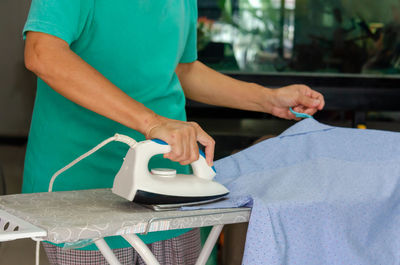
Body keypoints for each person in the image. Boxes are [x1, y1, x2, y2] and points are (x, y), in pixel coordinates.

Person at [22, 0, 325, 264]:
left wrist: (267, 99)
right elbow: (43, 53)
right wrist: (151, 122)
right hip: (80, 184)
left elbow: (183, 70)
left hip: (170, 182)